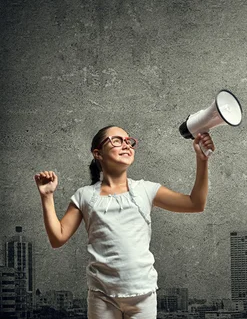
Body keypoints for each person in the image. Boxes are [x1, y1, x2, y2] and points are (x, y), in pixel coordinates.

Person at [34, 125, 215, 319]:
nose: (126, 145)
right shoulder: (84, 196)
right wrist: (47, 196)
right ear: (98, 153)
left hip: (142, 296)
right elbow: (57, 238)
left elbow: (196, 203)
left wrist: (202, 160)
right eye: (117, 140)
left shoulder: (146, 190)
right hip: (101, 296)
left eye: (129, 141)